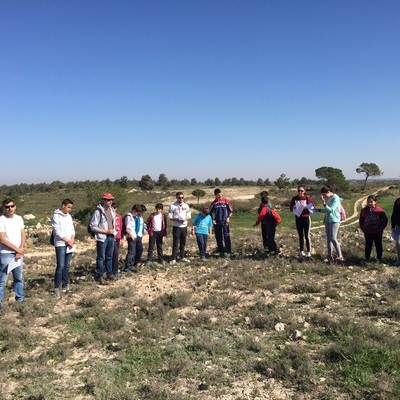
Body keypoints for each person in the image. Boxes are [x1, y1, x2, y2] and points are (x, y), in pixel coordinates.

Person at [0, 198, 26, 310]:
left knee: (18, 278)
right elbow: (2, 239)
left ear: (15, 206)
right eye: (7, 207)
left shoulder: (19, 219)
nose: (10, 208)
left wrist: (21, 248)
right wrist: (16, 249)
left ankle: (20, 299)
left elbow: (23, 234)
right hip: (6, 253)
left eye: (12, 206)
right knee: (2, 280)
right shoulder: (1, 220)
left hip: (18, 253)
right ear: (4, 208)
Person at [89, 192, 116, 284]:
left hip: (111, 236)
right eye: (108, 200)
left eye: (111, 200)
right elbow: (93, 226)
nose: (110, 201)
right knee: (101, 257)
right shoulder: (98, 212)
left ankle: (109, 273)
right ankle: (99, 276)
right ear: (103, 200)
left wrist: (113, 231)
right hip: (102, 237)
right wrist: (106, 231)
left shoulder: (112, 210)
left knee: (109, 256)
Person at [51, 198, 75, 297]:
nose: (69, 209)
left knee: (67, 265)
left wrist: (72, 239)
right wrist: (67, 240)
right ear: (63, 206)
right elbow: (57, 231)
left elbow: (72, 229)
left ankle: (65, 284)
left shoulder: (69, 216)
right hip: (61, 243)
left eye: (71, 208)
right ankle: (57, 287)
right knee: (60, 265)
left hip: (69, 244)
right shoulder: (55, 216)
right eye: (68, 207)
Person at [318, 186, 344, 263]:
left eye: (324, 195)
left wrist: (324, 203)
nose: (324, 197)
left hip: (334, 220)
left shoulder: (336, 198)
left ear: (329, 192)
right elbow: (326, 210)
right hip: (327, 219)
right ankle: (330, 256)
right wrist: (318, 210)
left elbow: (331, 210)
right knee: (329, 238)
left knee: (333, 238)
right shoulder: (328, 198)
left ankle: (340, 256)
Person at [359, 195, 388, 262]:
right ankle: (367, 258)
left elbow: (385, 220)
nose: (369, 203)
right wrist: (363, 228)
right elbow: (361, 220)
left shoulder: (379, 210)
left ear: (375, 202)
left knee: (378, 245)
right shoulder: (364, 211)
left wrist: (381, 228)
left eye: (371, 202)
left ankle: (379, 258)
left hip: (377, 231)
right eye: (368, 202)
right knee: (368, 245)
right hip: (368, 231)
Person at [289, 186, 315, 257]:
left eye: (302, 191)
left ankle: (309, 251)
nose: (300, 192)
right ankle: (301, 251)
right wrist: (293, 207)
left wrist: (306, 206)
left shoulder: (307, 198)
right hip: (298, 218)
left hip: (306, 218)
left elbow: (313, 207)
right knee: (300, 235)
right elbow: (291, 208)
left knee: (307, 235)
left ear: (304, 191)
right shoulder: (294, 198)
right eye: (299, 190)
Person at [168, 192, 191, 264]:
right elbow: (170, 217)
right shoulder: (172, 206)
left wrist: (185, 218)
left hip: (184, 226)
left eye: (182, 197)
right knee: (175, 242)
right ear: (176, 198)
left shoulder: (186, 205)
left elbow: (189, 215)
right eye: (179, 198)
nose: (181, 199)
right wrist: (176, 219)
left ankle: (182, 257)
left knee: (183, 242)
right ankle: (174, 258)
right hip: (177, 226)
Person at [209, 188, 233, 257]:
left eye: (221, 194)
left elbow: (231, 210)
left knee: (226, 236)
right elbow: (209, 212)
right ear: (215, 195)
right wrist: (212, 219)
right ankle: (221, 251)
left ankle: (228, 251)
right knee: (218, 237)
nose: (220, 196)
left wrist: (228, 217)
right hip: (217, 222)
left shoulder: (226, 201)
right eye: (218, 195)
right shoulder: (214, 203)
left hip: (225, 221)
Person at [124, 204, 145, 272]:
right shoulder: (129, 217)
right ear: (134, 210)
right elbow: (127, 228)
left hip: (135, 236)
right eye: (136, 213)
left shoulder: (133, 217)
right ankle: (127, 267)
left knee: (135, 251)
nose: (137, 214)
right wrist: (132, 236)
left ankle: (133, 264)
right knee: (131, 252)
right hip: (131, 237)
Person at [111, 202, 124, 278]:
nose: (114, 210)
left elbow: (121, 227)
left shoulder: (119, 217)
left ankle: (115, 270)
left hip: (118, 236)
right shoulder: (109, 216)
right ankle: (112, 270)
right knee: (112, 253)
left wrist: (122, 237)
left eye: (115, 208)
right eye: (113, 208)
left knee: (116, 253)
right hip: (111, 236)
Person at [390, 196, 400, 266]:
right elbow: (394, 213)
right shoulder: (398, 201)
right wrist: (393, 225)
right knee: (398, 243)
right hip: (398, 225)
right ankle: (399, 260)